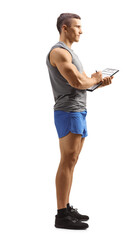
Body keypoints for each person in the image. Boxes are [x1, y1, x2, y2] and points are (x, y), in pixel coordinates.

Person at [46, 13, 113, 230]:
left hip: (79, 110)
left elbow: (84, 82)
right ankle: (61, 215)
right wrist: (93, 78)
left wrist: (98, 83)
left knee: (72, 160)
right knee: (67, 160)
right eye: (77, 27)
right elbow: (77, 81)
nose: (81, 31)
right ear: (64, 28)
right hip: (68, 111)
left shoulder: (71, 53)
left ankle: (66, 207)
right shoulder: (58, 52)